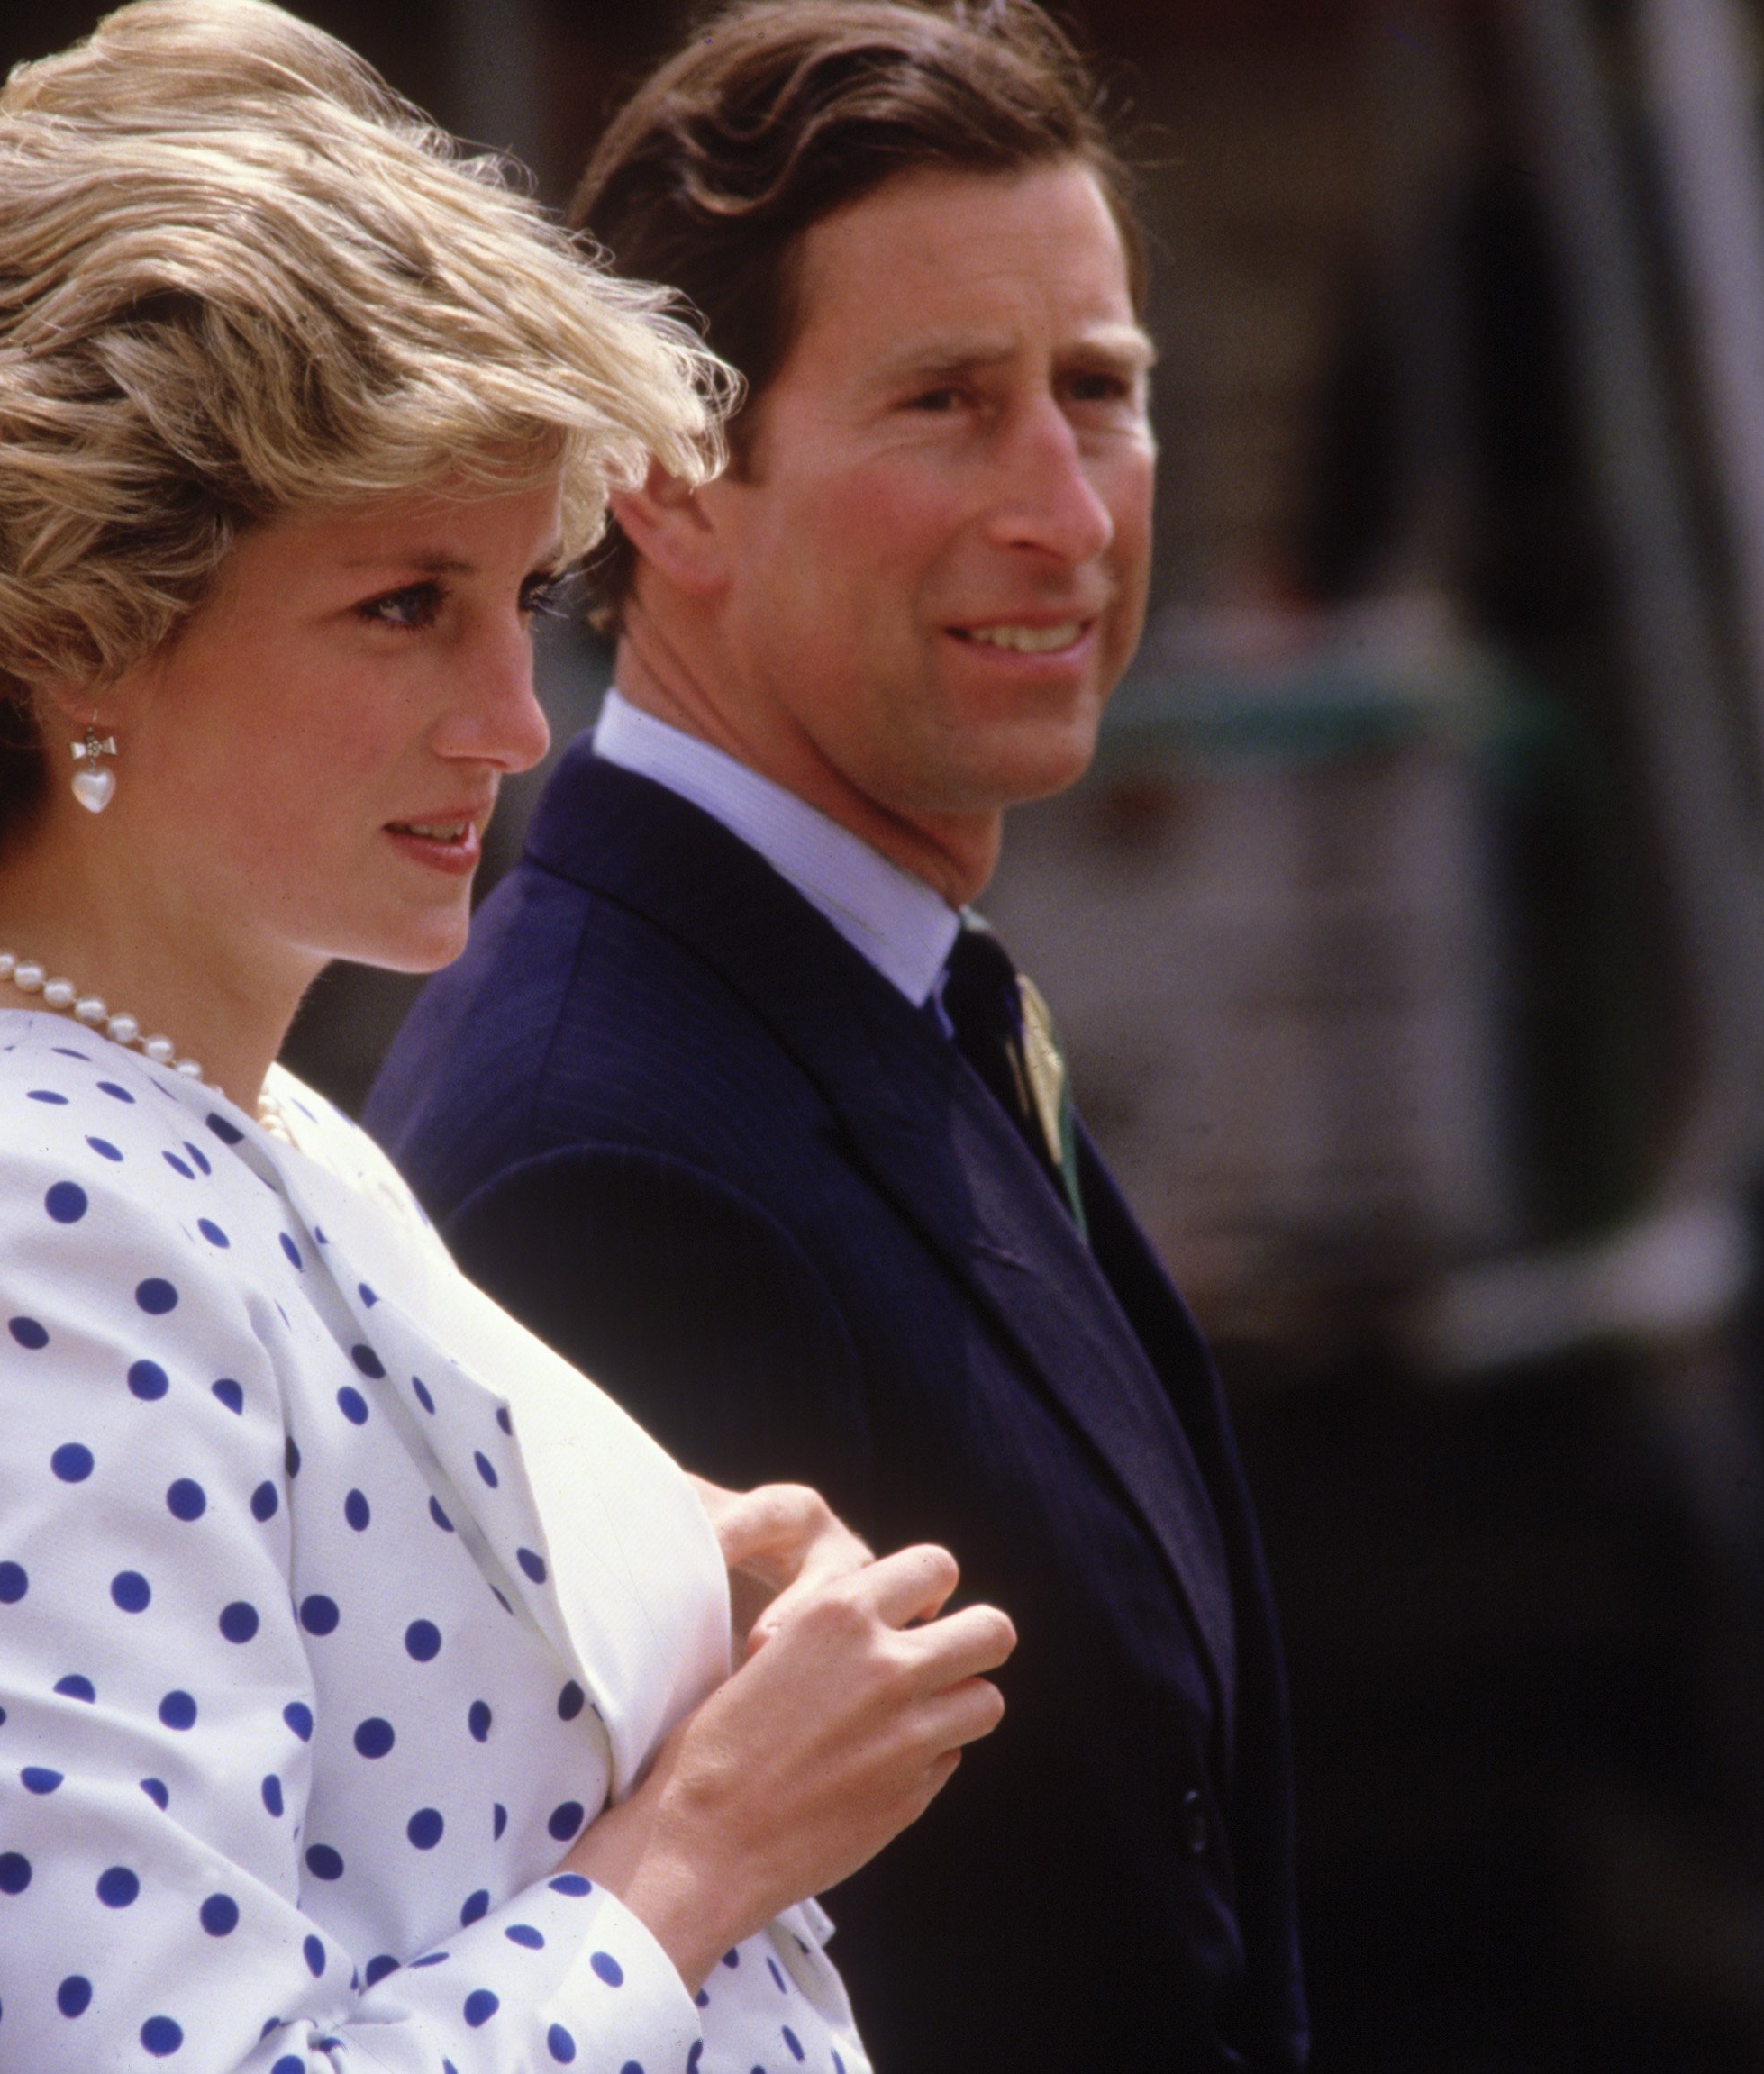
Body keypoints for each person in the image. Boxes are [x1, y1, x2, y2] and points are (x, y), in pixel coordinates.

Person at [0, 8, 1017, 2071]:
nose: (515, 719)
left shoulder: (232, 1127)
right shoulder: (7, 1219)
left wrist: (703, 1567)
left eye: (523, 595)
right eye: (405, 602)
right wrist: (702, 1845)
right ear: (84, 630)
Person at [363, 4, 1305, 2068]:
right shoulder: (593, 1152)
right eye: (950, 405)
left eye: (1099, 391)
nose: (1064, 505)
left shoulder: (884, 992)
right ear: (670, 486)